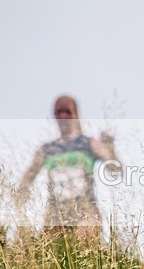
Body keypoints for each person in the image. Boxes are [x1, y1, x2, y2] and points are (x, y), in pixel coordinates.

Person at [17, 95, 121, 242]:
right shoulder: (47, 149)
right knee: (54, 258)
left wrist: (110, 147)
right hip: (55, 214)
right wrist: (20, 196)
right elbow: (28, 176)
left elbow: (115, 169)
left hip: (86, 211)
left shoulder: (89, 144)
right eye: (59, 112)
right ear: (54, 115)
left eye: (67, 112)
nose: (63, 117)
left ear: (75, 114)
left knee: (84, 251)